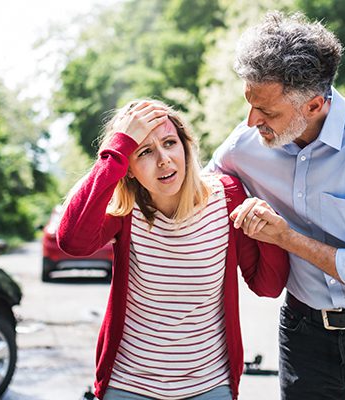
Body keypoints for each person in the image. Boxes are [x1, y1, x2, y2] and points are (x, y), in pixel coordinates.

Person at [206, 10, 345, 400]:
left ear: (313, 105)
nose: (250, 121)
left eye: (268, 112)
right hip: (303, 333)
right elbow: (200, 189)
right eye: (250, 103)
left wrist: (287, 239)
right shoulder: (246, 143)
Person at [58, 99, 289, 400]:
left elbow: (268, 286)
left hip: (210, 385)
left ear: (185, 147)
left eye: (169, 143)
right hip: (128, 385)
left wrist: (269, 232)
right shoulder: (126, 213)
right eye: (144, 152)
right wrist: (116, 149)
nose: (164, 159)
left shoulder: (227, 197)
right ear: (127, 168)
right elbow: (72, 241)